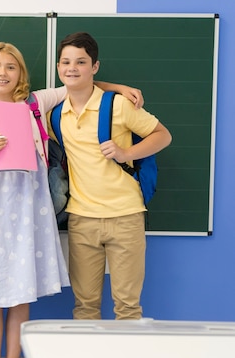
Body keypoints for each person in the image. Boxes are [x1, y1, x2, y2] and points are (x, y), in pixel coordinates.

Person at [0, 41, 145, 358]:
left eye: (11, 67)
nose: (3, 73)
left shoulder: (35, 105)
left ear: (21, 75)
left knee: (19, 293)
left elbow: (77, 85)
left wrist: (119, 88)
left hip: (29, 216)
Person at [51, 32, 171, 321]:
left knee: (128, 308)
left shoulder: (118, 106)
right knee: (85, 307)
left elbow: (163, 135)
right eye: (66, 62)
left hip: (126, 216)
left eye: (81, 62)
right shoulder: (54, 114)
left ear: (94, 66)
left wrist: (125, 153)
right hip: (81, 219)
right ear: (58, 67)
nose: (72, 68)